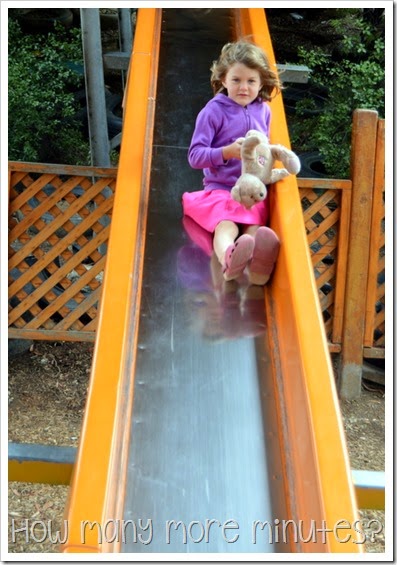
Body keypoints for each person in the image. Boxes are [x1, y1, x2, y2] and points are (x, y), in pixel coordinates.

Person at [182, 40, 282, 286]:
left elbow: (264, 151)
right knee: (225, 224)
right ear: (224, 80)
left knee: (254, 228)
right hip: (220, 189)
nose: (244, 88)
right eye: (236, 80)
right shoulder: (213, 111)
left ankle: (258, 265)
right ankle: (229, 257)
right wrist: (226, 152)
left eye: (251, 81)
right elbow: (195, 156)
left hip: (251, 191)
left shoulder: (264, 111)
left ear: (261, 83)